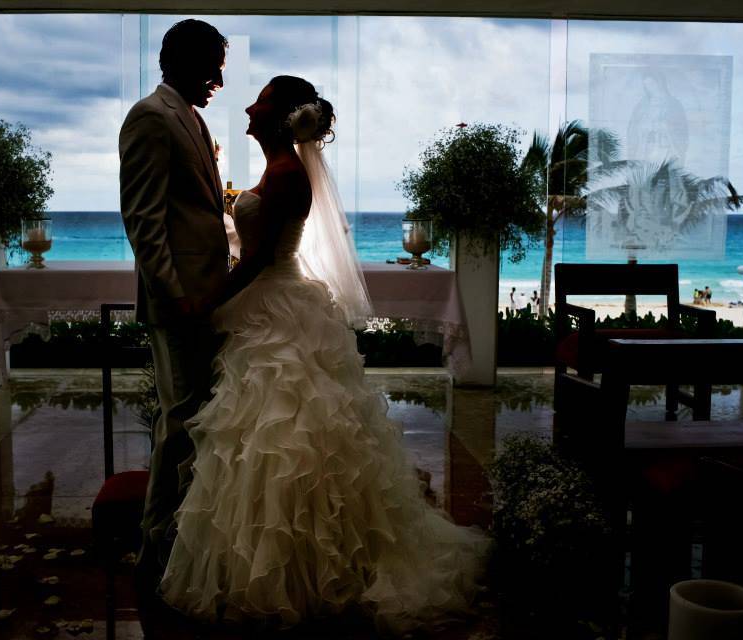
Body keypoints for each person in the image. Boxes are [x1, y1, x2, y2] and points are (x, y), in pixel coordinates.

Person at [158, 76, 488, 634]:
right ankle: (286, 562)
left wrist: (205, 302)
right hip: (274, 304)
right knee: (270, 433)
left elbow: (260, 262)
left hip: (276, 306)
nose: (246, 105)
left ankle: (299, 569)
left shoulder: (287, 175)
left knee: (284, 431)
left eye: (258, 100)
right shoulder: (279, 170)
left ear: (283, 116)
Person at [117, 18, 233, 617]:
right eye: (212, 63)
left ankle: (185, 539)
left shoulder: (190, 115)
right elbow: (143, 218)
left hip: (205, 298)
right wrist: (174, 291)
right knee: (180, 420)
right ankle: (155, 546)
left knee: (193, 418)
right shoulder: (150, 117)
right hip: (180, 300)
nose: (219, 78)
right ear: (182, 62)